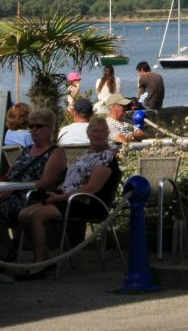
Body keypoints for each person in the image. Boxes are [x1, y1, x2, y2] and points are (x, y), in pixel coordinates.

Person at [17, 116, 121, 278]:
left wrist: (60, 198)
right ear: (88, 133)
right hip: (67, 197)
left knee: (35, 216)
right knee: (24, 215)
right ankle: (47, 258)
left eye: (102, 131)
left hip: (86, 202)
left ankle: (38, 266)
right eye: (94, 130)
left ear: (107, 133)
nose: (98, 134)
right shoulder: (87, 154)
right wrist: (58, 193)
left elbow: (91, 189)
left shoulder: (106, 157)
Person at [0, 107, 66, 261]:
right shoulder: (27, 150)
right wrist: (7, 184)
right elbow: (10, 175)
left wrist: (14, 188)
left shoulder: (55, 153)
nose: (34, 130)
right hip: (13, 192)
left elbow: (45, 183)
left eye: (39, 126)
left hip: (34, 197)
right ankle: (7, 247)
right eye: (31, 126)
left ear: (50, 128)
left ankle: (7, 250)